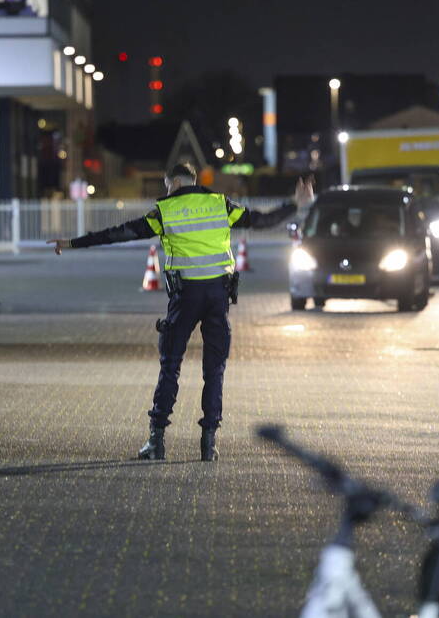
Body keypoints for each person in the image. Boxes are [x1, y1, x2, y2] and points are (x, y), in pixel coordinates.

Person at [47, 163, 314, 461]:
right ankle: (208, 443)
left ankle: (156, 441)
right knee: (214, 370)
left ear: (174, 182)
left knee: (170, 365)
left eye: (166, 185)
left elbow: (119, 234)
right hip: (217, 296)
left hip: (185, 297)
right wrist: (295, 204)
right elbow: (262, 221)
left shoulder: (165, 210)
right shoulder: (220, 204)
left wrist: (71, 243)